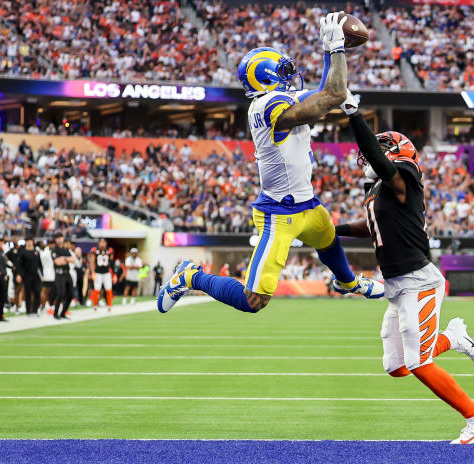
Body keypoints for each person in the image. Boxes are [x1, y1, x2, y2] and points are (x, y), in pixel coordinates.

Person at [157, 13, 382, 314]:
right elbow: (334, 94)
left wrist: (331, 51)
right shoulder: (266, 106)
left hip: (307, 204)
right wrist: (336, 48)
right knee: (254, 301)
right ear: (267, 77)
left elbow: (326, 92)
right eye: (283, 71)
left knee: (327, 238)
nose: (289, 76)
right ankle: (191, 276)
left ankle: (348, 283)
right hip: (279, 212)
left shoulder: (279, 98)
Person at [333, 96, 474, 445]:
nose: (370, 156)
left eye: (381, 150)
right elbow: (370, 226)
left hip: (419, 281)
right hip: (398, 284)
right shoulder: (381, 191)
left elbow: (377, 158)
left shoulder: (404, 175)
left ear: (397, 153)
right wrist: (330, 230)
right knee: (397, 367)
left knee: (419, 363)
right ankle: (452, 339)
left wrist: (354, 114)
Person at [51, 234, 75, 319]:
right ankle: (55, 313)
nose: (59, 240)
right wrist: (66, 259)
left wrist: (64, 258)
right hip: (59, 274)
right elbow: (57, 262)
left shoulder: (65, 249)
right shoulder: (54, 250)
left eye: (61, 238)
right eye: (58, 238)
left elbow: (73, 260)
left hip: (67, 273)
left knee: (71, 294)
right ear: (56, 240)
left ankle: (63, 313)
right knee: (61, 293)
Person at [17, 237, 42, 316]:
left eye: (30, 241)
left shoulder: (36, 252)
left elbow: (40, 264)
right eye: (27, 241)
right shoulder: (23, 252)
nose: (29, 243)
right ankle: (28, 311)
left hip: (36, 275)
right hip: (27, 275)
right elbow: (19, 265)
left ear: (32, 242)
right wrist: (20, 274)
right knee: (27, 293)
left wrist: (42, 275)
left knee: (37, 292)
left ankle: (35, 310)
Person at [89, 238, 114, 311]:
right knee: (97, 289)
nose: (102, 244)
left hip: (107, 273)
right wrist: (93, 272)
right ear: (99, 243)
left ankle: (109, 305)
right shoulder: (95, 250)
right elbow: (92, 262)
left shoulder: (109, 250)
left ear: (106, 243)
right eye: (101, 242)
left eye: (104, 242)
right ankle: (95, 305)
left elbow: (111, 262)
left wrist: (113, 273)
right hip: (98, 272)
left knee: (109, 289)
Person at [39, 239, 56, 315]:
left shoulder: (45, 253)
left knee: (50, 292)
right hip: (47, 274)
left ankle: (47, 306)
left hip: (51, 274)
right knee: (45, 291)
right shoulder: (45, 253)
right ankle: (44, 306)